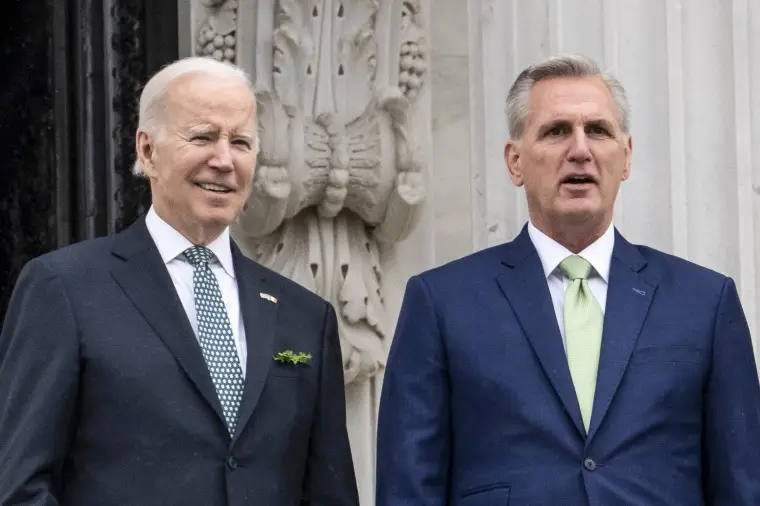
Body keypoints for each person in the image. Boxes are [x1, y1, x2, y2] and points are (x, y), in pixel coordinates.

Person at [376, 54, 760, 505]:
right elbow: (408, 489)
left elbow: (742, 486)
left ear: (626, 158)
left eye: (597, 130)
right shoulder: (441, 303)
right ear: (515, 162)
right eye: (557, 131)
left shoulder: (704, 302)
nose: (580, 149)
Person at [0, 56, 359, 506]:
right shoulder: (64, 289)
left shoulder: (305, 316)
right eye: (204, 137)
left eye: (242, 142)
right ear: (147, 151)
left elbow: (329, 493)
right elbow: (21, 487)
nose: (225, 160)